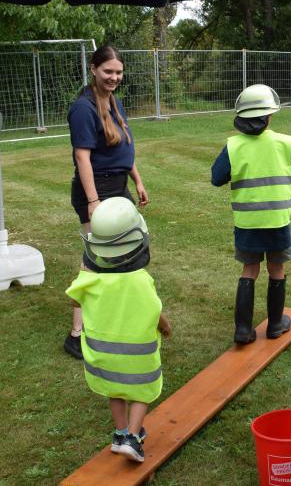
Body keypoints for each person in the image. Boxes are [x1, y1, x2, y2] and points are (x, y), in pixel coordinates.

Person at [66, 197, 172, 463]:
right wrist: (166, 327)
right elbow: (154, 311)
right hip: (138, 357)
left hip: (104, 356)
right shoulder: (140, 280)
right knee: (140, 392)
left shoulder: (90, 279)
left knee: (116, 390)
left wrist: (87, 278)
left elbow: (74, 299)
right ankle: (133, 439)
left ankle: (120, 433)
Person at [64, 45, 149, 360]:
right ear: (93, 69)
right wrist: (93, 202)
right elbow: (82, 157)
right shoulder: (82, 109)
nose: (114, 77)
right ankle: (76, 334)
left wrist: (137, 180)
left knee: (126, 252)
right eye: (108, 71)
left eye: (118, 72)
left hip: (118, 187)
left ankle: (113, 315)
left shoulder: (115, 102)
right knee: (95, 260)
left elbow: (125, 146)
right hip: (96, 191)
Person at [211, 84, 291, 345]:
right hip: (277, 222)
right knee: (277, 268)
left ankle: (243, 330)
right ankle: (276, 324)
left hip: (248, 223)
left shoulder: (233, 146)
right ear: (270, 115)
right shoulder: (285, 143)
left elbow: (216, 178)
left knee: (249, 269)